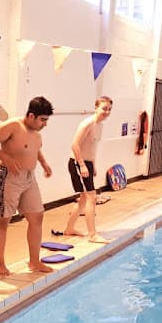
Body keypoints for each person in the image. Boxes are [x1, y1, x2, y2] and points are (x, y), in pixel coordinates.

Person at [0, 96, 54, 276]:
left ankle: (34, 261)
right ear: (31, 115)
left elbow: (35, 149)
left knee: (37, 216)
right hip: (9, 177)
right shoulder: (13, 126)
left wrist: (44, 163)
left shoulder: (36, 133)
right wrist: (6, 158)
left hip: (29, 178)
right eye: (42, 119)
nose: (45, 124)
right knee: (4, 220)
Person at [62, 96, 113, 243]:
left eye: (109, 109)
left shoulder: (100, 125)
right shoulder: (87, 123)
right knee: (92, 197)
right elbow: (75, 145)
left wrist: (93, 164)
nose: (107, 112)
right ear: (96, 108)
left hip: (87, 163)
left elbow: (92, 146)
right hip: (78, 163)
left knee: (84, 198)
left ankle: (69, 229)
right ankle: (92, 234)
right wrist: (82, 165)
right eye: (104, 109)